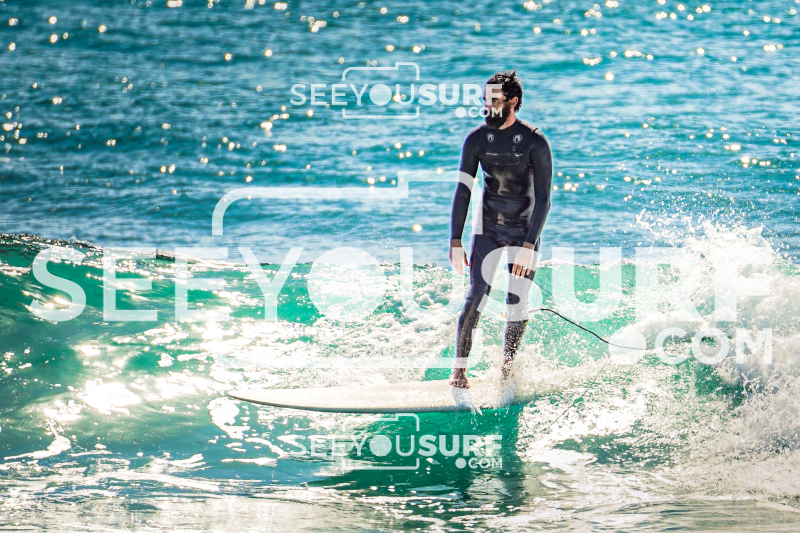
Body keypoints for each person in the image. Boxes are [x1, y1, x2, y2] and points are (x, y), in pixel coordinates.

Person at [448, 70, 553, 389]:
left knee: (516, 302)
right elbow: (463, 190)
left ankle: (506, 370)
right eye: (485, 100)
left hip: (524, 231)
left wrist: (529, 245)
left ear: (513, 102)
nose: (487, 106)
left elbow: (544, 199)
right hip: (489, 228)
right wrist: (455, 239)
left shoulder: (535, 141)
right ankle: (459, 372)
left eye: (494, 101)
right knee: (475, 297)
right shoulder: (476, 140)